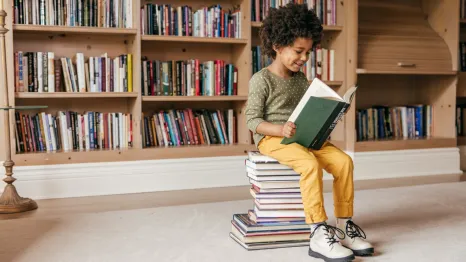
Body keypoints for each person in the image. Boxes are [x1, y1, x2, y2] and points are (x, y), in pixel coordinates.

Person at [245, 3, 374, 262]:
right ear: (278, 46)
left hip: (303, 134)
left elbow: (307, 110)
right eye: (298, 51)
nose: (304, 58)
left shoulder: (301, 79)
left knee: (344, 162)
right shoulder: (261, 79)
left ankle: (345, 225)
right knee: (308, 163)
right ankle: (317, 231)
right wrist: (279, 129)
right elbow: (252, 120)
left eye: (308, 52)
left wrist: (330, 115)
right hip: (272, 138)